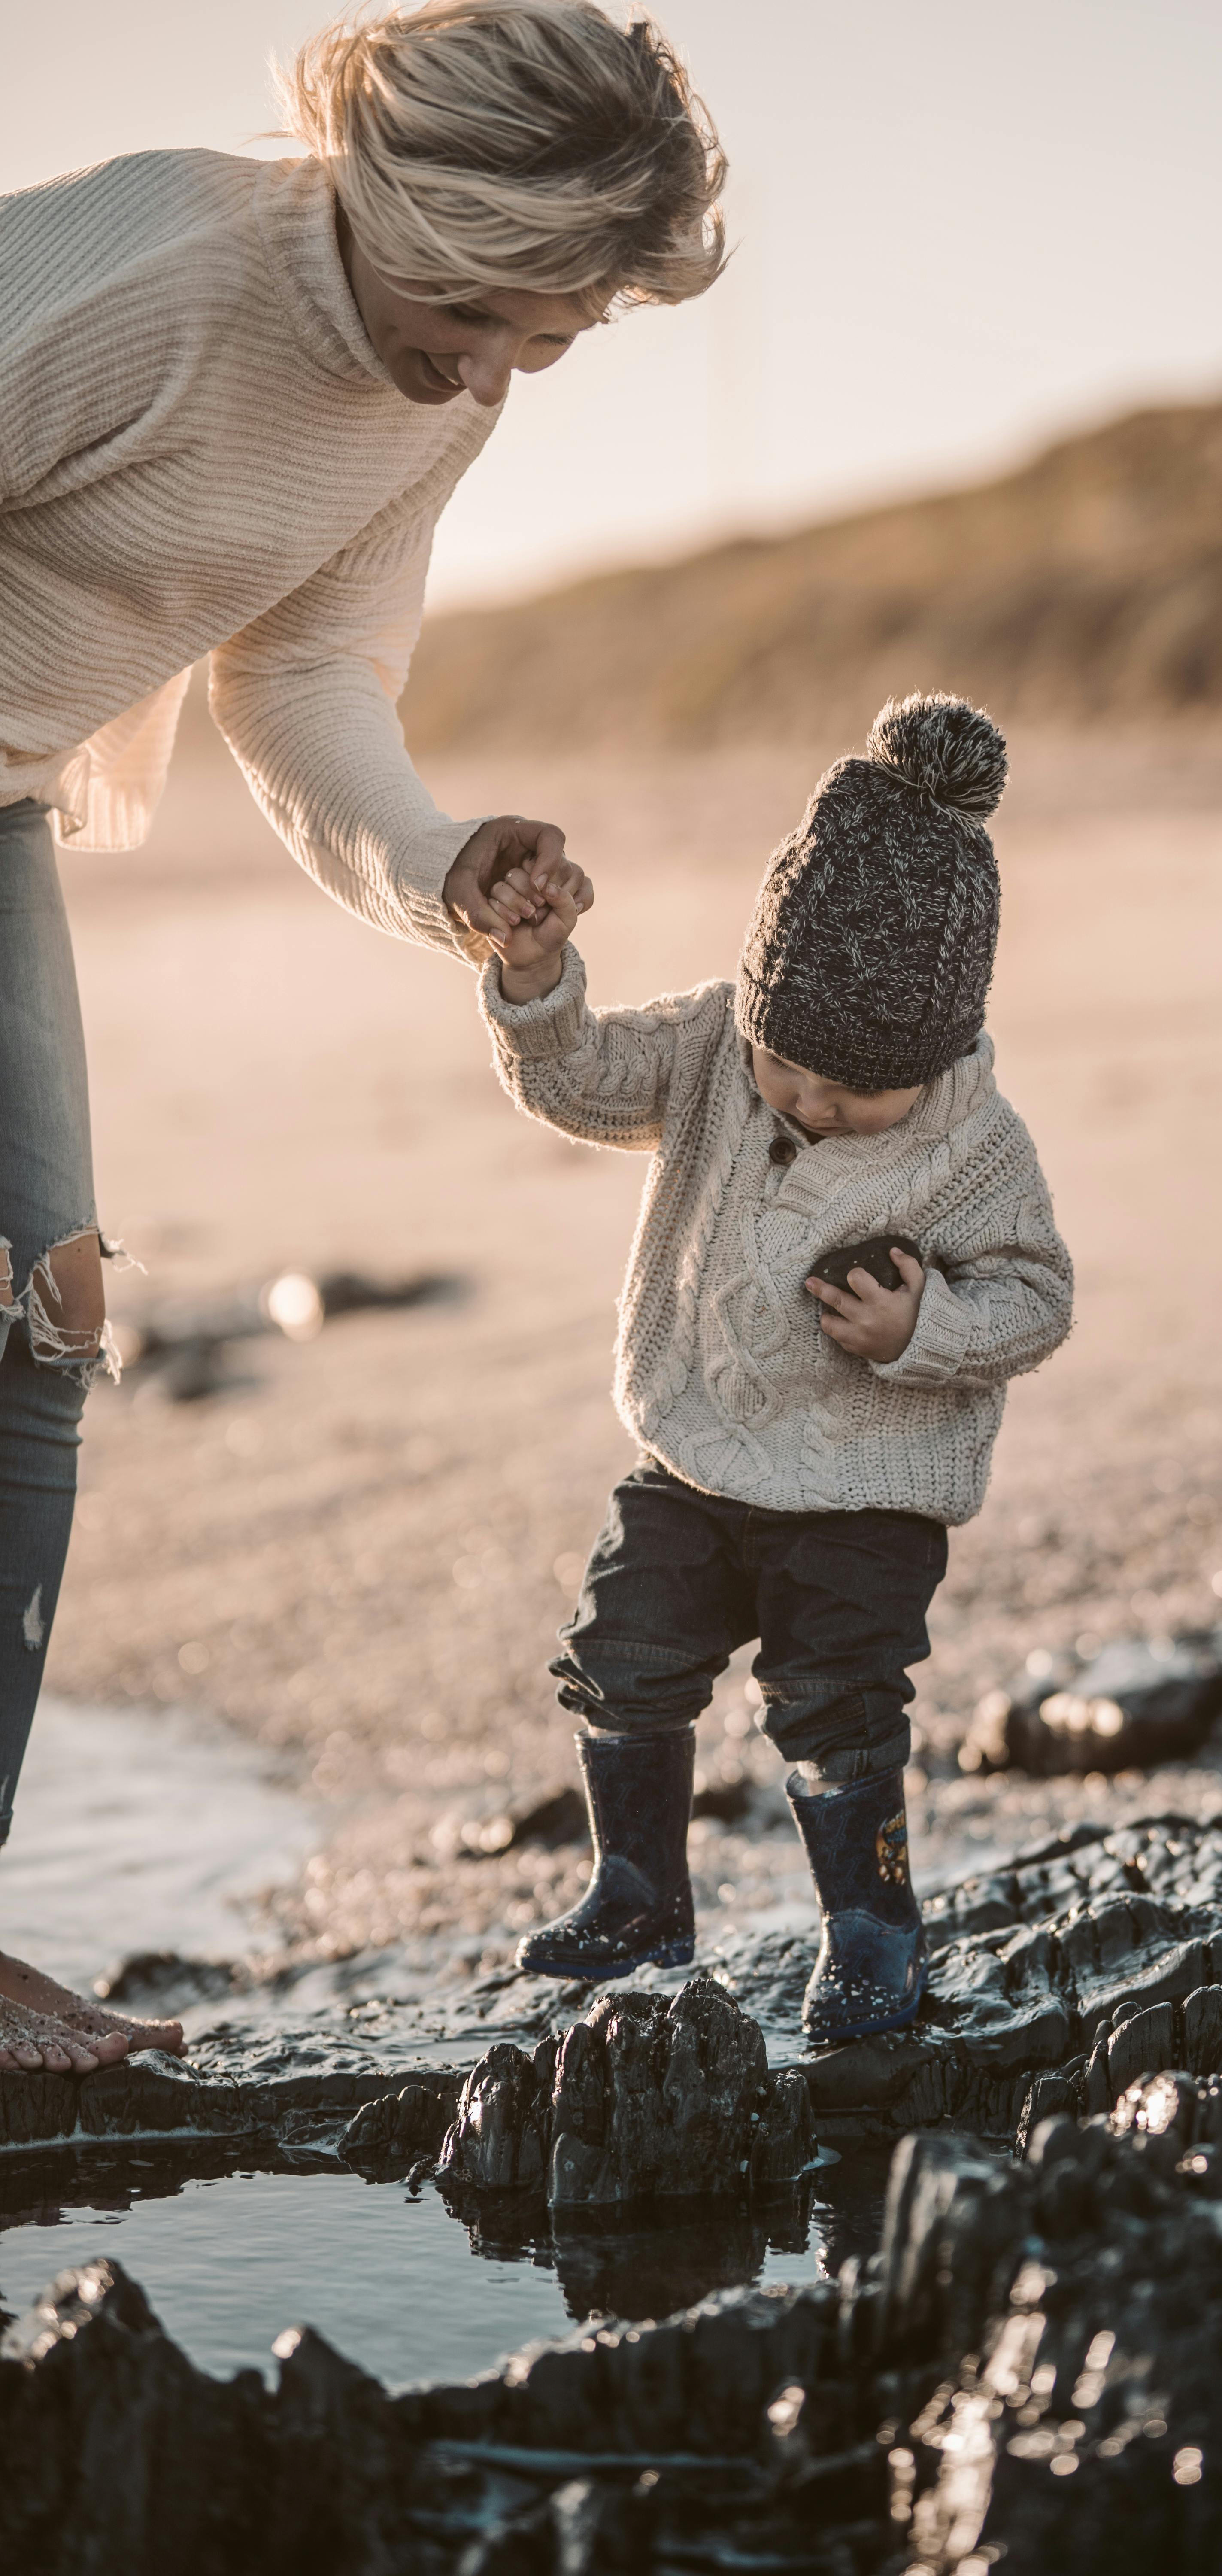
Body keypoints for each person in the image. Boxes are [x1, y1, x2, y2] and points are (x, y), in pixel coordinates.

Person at [0, 0, 724, 2075]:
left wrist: (441, 860)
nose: (501, 368)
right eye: (494, 306)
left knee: (45, 1325)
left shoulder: (433, 388)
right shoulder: (154, 269)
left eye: (556, 337)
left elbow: (303, 672)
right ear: (412, 195)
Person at [477, 694, 1074, 2042]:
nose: (806, 1098)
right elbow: (577, 1083)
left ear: (935, 1059)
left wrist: (925, 1329)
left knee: (835, 1707)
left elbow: (1037, 1297)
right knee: (619, 1652)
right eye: (786, 1058)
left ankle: (871, 1933)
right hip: (695, 1457)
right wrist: (534, 985)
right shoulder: (707, 1049)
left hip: (868, 1493)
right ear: (755, 996)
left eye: (856, 1091)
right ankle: (638, 1890)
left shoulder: (974, 1146)